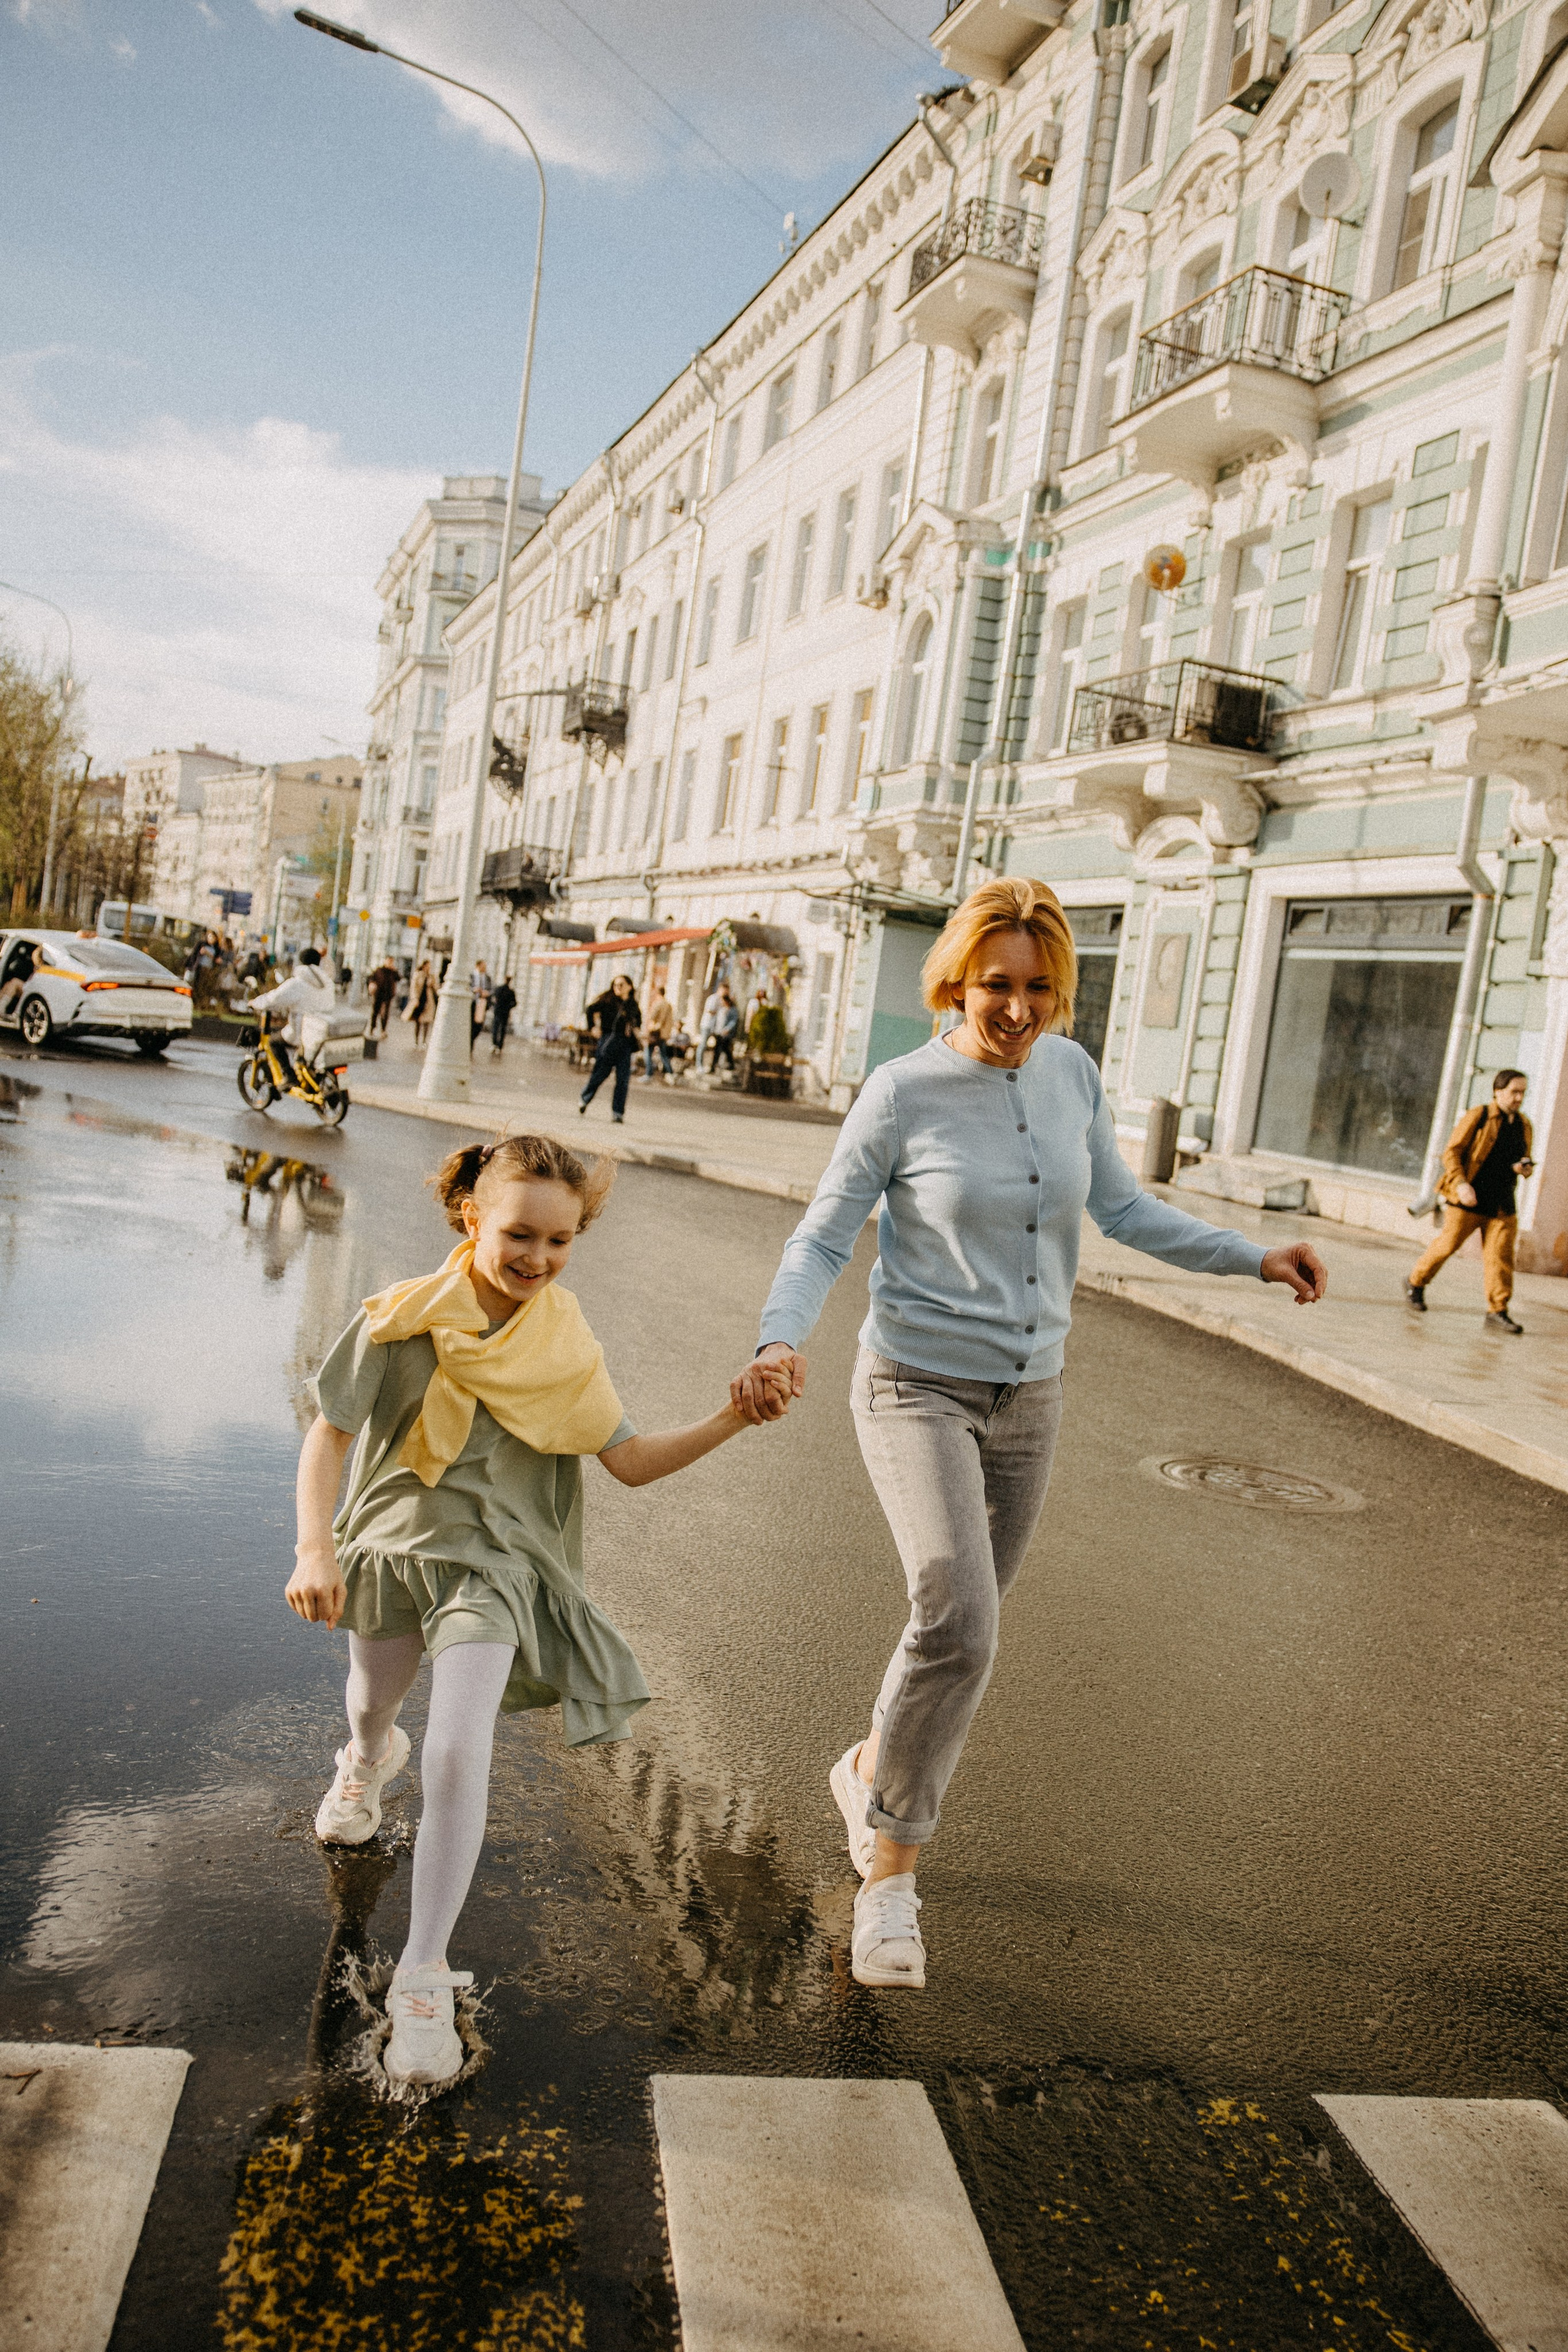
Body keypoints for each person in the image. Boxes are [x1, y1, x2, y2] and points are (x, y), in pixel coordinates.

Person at [730, 878, 1327, 1994]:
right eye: (996, 985)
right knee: (957, 1612)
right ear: (955, 982)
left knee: (956, 1637)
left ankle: (870, 1771)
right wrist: (778, 1341)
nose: (1017, 1008)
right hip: (912, 1385)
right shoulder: (904, 1093)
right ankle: (890, 1888)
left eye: (1039, 987)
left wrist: (1252, 1255)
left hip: (1031, 1401)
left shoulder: (1071, 1073)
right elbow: (824, 1236)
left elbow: (1125, 1210)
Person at [285, 1131, 767, 2086]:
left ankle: (423, 1972)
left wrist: (731, 1417)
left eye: (560, 1243)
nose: (537, 1261)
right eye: (519, 1236)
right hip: (391, 1546)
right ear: (473, 1216)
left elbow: (626, 1461)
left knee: (462, 1746)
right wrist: (316, 1545)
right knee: (372, 1702)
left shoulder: (565, 1344)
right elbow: (328, 1438)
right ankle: (367, 1760)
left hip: (498, 1570)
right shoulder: (396, 1321)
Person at [1406, 1069, 1534, 1333]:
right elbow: (1452, 1152)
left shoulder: (1524, 1125)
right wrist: (1461, 1184)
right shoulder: (1479, 1116)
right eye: (1514, 1092)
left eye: (1523, 1093)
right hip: (1469, 1198)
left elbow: (1522, 1158)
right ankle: (1415, 1283)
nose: (1519, 1098)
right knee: (1447, 1245)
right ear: (1498, 1091)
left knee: (1501, 1258)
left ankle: (1498, 1310)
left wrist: (1523, 1167)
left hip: (1502, 1203)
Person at [249, 946, 334, 1086]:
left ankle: (289, 1076)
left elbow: (274, 999)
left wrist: (255, 1002)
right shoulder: (327, 983)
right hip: (323, 1030)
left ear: (300, 962)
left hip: (302, 1030)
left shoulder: (298, 983)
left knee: (274, 1042)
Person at [578, 974, 641, 1124]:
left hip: (625, 1045)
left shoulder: (633, 1005)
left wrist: (638, 1032)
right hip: (608, 1042)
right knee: (600, 1074)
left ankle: (618, 1112)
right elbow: (590, 1009)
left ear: (629, 987)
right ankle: (584, 1098)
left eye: (621, 985)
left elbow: (638, 1022)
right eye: (615, 985)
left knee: (623, 1080)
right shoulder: (608, 1001)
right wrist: (592, 1027)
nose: (617, 988)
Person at [640, 983, 677, 1082]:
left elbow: (653, 1017)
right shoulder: (668, 1005)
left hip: (656, 1032)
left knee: (648, 1052)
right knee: (663, 1054)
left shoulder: (658, 1004)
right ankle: (670, 1073)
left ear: (658, 994)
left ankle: (649, 1073)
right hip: (663, 1033)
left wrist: (650, 1028)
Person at [403, 960, 437, 1049]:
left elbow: (436, 989)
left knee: (427, 1021)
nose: (429, 968)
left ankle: (425, 1042)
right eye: (428, 966)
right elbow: (414, 987)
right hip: (420, 1000)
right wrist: (415, 998)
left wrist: (433, 984)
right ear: (424, 965)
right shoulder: (418, 975)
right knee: (418, 1021)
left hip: (428, 1001)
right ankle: (416, 1041)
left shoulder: (431, 976)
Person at [706, 986, 739, 1074]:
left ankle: (727, 1065)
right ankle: (715, 1066)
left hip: (726, 1034)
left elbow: (734, 1021)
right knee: (719, 1049)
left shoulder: (733, 1010)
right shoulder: (721, 1009)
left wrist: (728, 1029)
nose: (722, 1003)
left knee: (724, 1049)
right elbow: (716, 1020)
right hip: (719, 1032)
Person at [369, 960, 399, 1038]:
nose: (390, 964)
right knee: (375, 1012)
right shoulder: (379, 970)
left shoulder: (392, 972)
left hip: (388, 996)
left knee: (385, 1014)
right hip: (378, 994)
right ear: (385, 962)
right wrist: (372, 985)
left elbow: (398, 978)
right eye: (389, 962)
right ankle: (372, 1029)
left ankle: (383, 1030)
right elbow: (372, 978)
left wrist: (395, 970)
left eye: (391, 962)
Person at [490, 976, 517, 1057]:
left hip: (498, 1012)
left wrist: (495, 1006)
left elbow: (493, 999)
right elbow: (515, 1003)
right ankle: (500, 1046)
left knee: (495, 1028)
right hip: (505, 1013)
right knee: (502, 1029)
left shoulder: (499, 989)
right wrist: (508, 1007)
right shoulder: (511, 991)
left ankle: (494, 1044)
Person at [470, 959, 494, 1047]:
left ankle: (472, 1039)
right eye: (484, 966)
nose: (485, 968)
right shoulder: (471, 976)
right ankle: (470, 1044)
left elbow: (492, 990)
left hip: (482, 1004)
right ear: (478, 966)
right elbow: (467, 987)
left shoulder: (487, 978)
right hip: (473, 1003)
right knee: (471, 1024)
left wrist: (487, 993)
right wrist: (474, 990)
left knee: (479, 1025)